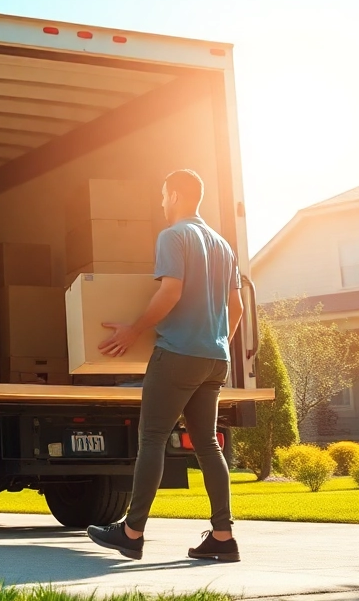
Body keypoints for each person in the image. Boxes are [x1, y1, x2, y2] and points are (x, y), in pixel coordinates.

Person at [86, 169, 244, 562]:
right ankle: (223, 537)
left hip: (177, 354)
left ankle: (131, 531)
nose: (161, 203)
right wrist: (218, 342)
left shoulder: (174, 236)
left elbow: (170, 291)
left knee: (152, 438)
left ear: (174, 195)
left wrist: (133, 330)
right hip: (214, 359)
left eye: (162, 195)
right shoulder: (224, 245)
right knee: (207, 445)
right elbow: (236, 307)